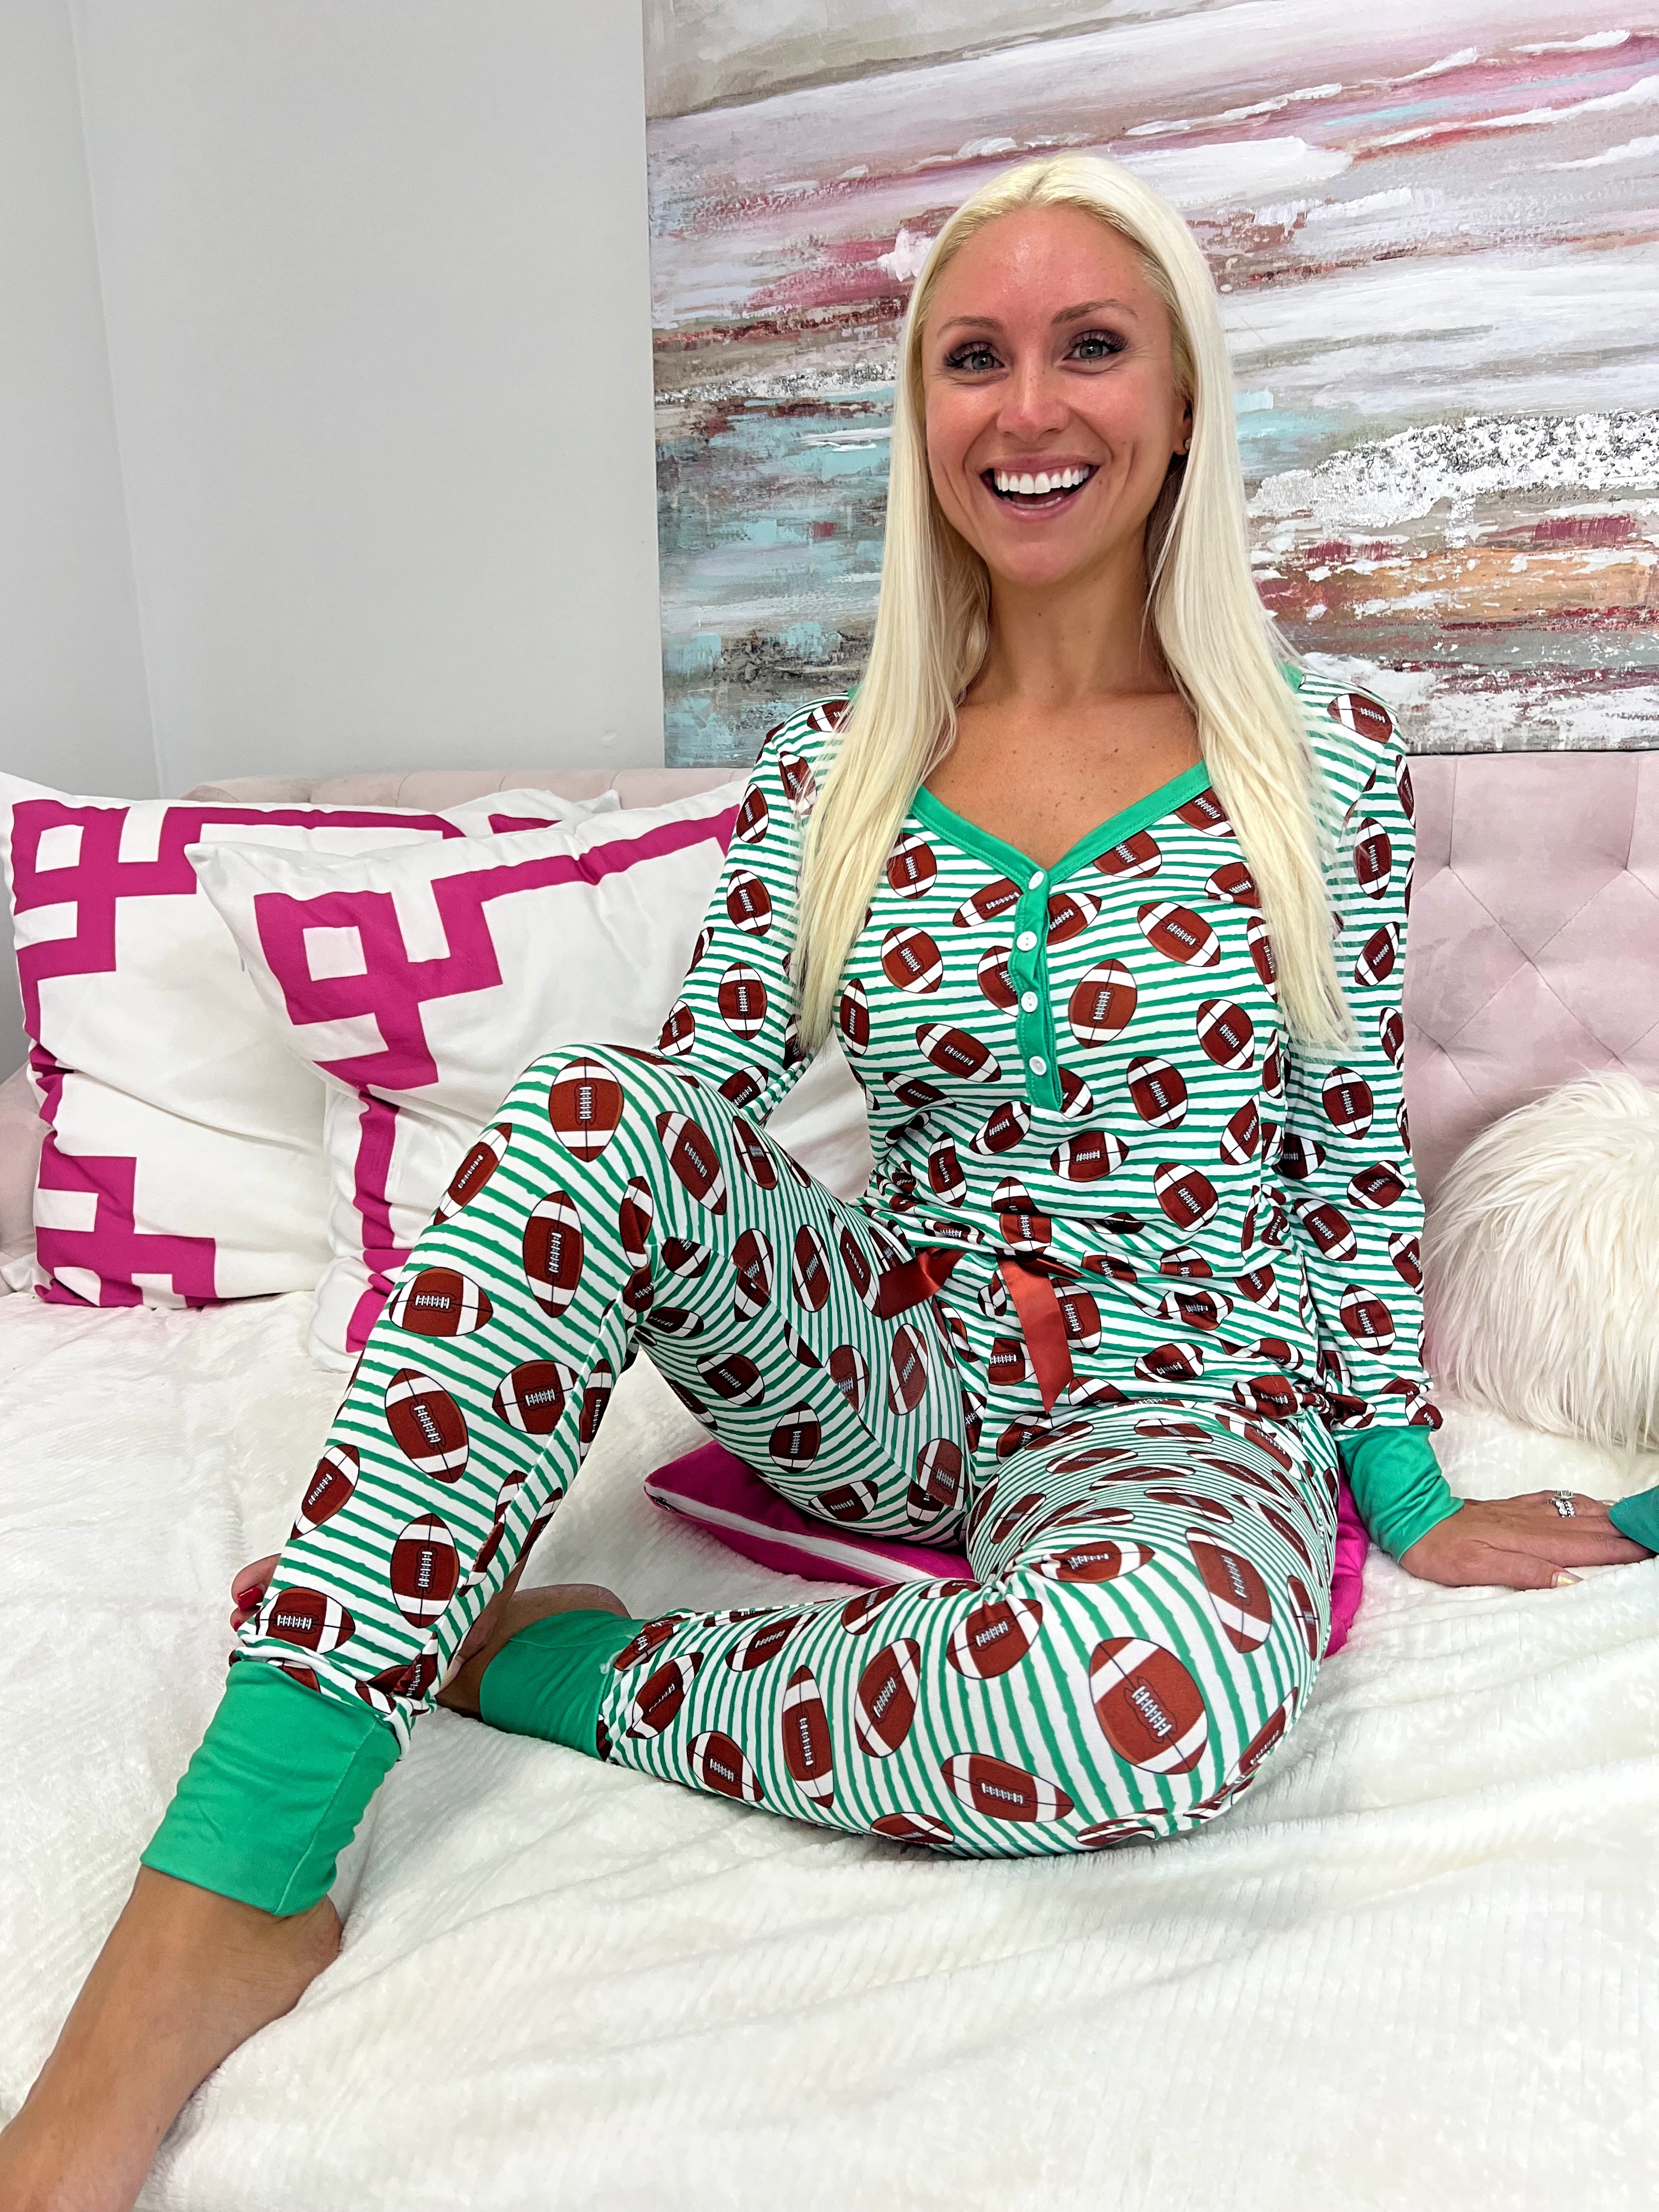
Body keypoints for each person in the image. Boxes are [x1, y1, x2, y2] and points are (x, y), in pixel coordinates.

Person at [4, 149, 1644, 2212]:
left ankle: (554, 1665)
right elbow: (678, 1117)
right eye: (974, 358)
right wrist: (510, 1340)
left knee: (1148, 1706)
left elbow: (1341, 1156)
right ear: (921, 415)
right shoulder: (834, 766)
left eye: (1090, 347)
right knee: (596, 1114)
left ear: (1180, 403)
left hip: (1181, 1410)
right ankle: (227, 1889)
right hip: (891, 1375)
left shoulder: (1321, 757)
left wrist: (1402, 1484)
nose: (1028, 407)